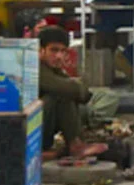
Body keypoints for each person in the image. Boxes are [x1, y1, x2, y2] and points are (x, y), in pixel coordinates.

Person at [37, 25, 107, 160]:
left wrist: (77, 87)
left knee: (82, 102)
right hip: (29, 132)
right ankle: (76, 145)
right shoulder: (36, 68)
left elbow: (83, 94)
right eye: (53, 50)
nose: (58, 56)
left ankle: (76, 142)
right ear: (41, 50)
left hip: (44, 130)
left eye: (63, 51)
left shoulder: (54, 69)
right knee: (61, 95)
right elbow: (72, 89)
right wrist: (77, 87)